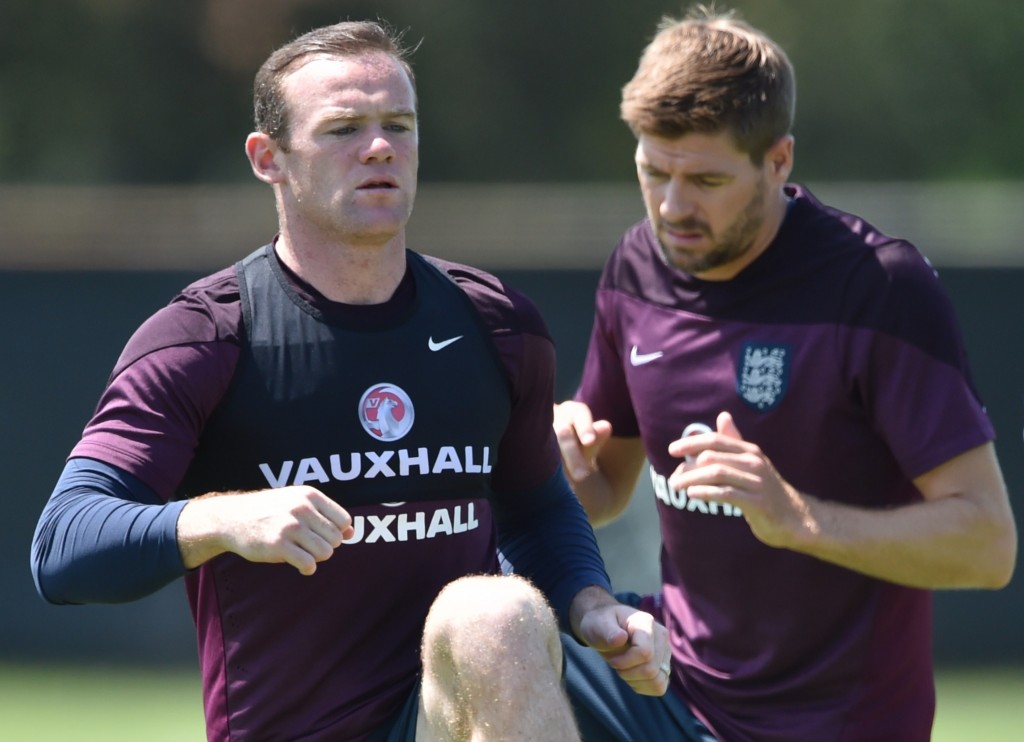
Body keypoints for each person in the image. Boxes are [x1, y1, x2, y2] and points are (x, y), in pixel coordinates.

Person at [30, 20, 671, 742]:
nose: (380, 147)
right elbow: (64, 546)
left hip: (441, 719)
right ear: (269, 158)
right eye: (343, 129)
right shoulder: (206, 337)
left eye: (399, 124)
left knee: (496, 617)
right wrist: (226, 520)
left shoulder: (496, 329)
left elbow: (538, 508)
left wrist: (591, 605)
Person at [554, 6, 1018, 742]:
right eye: (653, 172)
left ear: (779, 160)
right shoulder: (636, 266)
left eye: (706, 178)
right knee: (489, 635)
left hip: (831, 723)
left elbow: (987, 546)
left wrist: (794, 517)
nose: (673, 207)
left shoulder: (877, 288)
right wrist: (563, 458)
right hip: (671, 683)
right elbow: (605, 490)